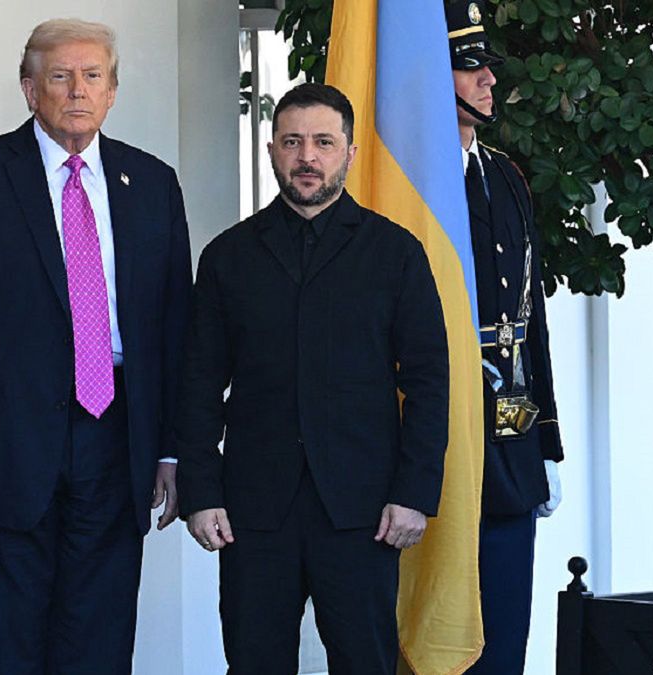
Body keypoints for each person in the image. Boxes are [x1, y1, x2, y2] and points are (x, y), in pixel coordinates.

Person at [0, 18, 192, 674]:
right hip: (1, 448)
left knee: (97, 642)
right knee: (7, 643)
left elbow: (176, 325)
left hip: (117, 441)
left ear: (113, 91)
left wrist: (173, 448)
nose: (77, 90)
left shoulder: (152, 185)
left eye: (93, 76)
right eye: (60, 76)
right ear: (29, 88)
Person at [175, 82, 450, 675]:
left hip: (364, 511)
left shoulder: (396, 253)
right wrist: (201, 492)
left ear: (349, 152)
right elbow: (198, 382)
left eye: (323, 142)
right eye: (293, 142)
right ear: (272, 150)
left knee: (365, 663)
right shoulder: (228, 257)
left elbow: (429, 380)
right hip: (252, 511)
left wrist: (414, 493)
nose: (307, 157)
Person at [445, 1, 565, 672]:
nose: (489, 78)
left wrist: (546, 439)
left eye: (488, 64)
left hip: (511, 440)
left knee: (504, 638)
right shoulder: (408, 186)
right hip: (436, 440)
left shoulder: (508, 177)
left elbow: (530, 318)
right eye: (471, 68)